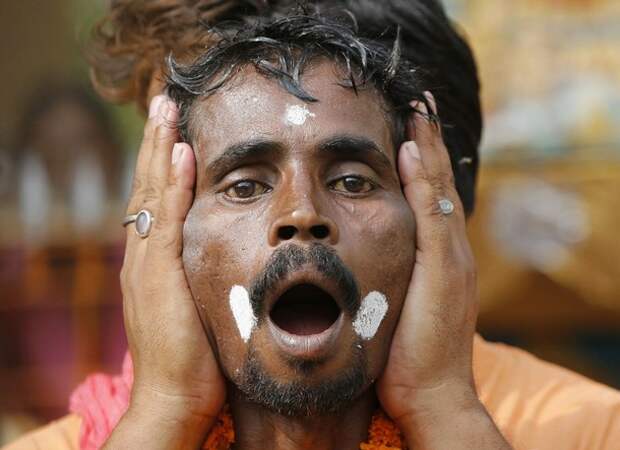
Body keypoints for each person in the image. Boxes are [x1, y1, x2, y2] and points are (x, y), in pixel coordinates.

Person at [5, 2, 620, 450]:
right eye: (242, 183)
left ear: (434, 202)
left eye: (352, 179)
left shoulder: (586, 430)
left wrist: (442, 406)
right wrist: (166, 411)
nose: (300, 214)